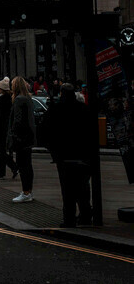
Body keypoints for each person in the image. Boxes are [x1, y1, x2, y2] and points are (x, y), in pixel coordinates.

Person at [45, 83, 92, 227]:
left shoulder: (56, 109)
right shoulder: (84, 109)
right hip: (82, 154)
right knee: (83, 188)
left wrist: (53, 151)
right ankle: (85, 216)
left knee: (67, 190)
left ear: (61, 93)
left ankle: (69, 219)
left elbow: (46, 131)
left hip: (64, 156)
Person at [7, 76, 36, 203]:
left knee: (23, 165)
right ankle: (28, 191)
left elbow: (17, 120)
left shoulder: (19, 99)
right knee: (28, 165)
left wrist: (13, 135)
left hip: (21, 138)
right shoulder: (28, 98)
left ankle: (26, 192)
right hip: (28, 137)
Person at [0, 77, 18, 180]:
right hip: (1, 128)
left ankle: (12, 167)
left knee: (0, 151)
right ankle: (1, 171)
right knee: (0, 151)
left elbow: (2, 116)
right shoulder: (2, 98)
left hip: (1, 129)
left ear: (2, 89)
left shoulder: (3, 99)